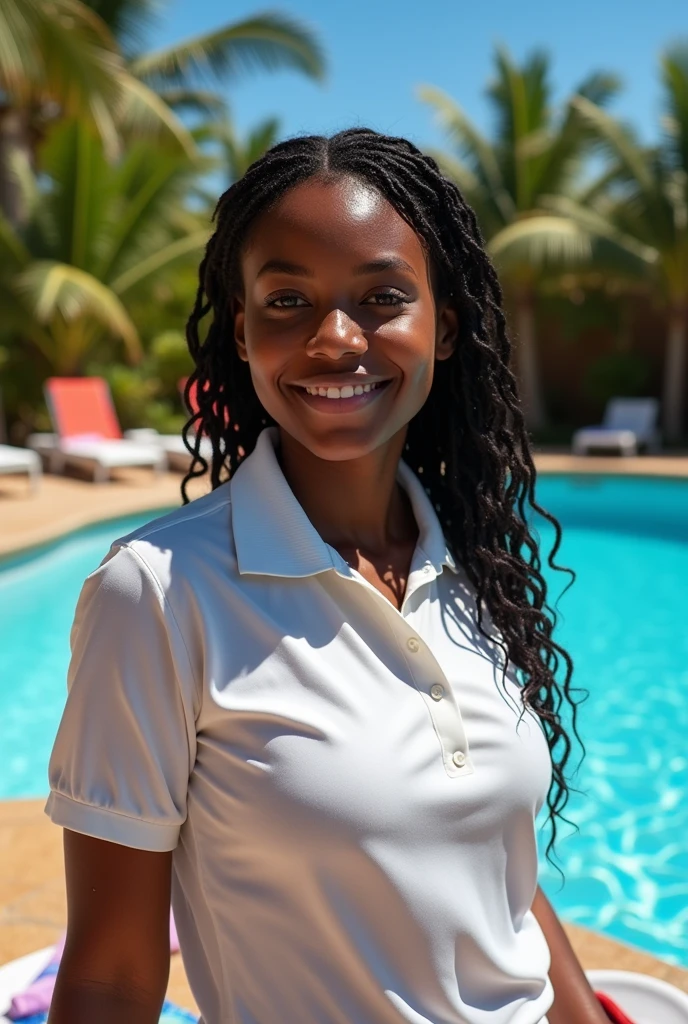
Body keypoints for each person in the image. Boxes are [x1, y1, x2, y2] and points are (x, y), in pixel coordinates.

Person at [45, 128, 608, 1024]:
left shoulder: (468, 566)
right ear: (243, 331)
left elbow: (495, 877)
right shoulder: (159, 591)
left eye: (382, 297)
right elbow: (111, 974)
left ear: (446, 325)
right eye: (287, 301)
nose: (334, 339)